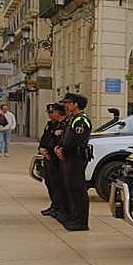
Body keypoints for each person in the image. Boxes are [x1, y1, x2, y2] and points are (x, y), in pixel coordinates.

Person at [55, 92, 92, 232]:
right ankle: (74, 217)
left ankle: (81, 222)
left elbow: (76, 141)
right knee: (70, 188)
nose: (66, 105)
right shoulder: (73, 118)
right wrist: (59, 147)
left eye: (68, 103)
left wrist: (63, 150)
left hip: (76, 158)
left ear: (76, 104)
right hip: (69, 158)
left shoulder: (81, 120)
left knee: (78, 189)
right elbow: (66, 138)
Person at [38, 103, 67, 218]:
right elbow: (45, 138)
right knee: (50, 183)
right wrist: (41, 149)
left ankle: (61, 207)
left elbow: (60, 142)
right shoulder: (50, 125)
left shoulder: (63, 125)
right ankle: (55, 205)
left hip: (56, 159)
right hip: (48, 157)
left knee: (58, 184)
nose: (50, 115)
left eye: (52, 112)